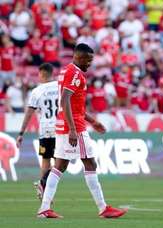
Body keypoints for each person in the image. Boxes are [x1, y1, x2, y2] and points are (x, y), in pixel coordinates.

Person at [37, 43, 127, 219]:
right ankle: (103, 208)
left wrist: (93, 121)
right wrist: (72, 129)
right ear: (79, 57)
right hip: (74, 127)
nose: (90, 64)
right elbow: (64, 101)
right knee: (90, 164)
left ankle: (44, 208)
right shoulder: (75, 74)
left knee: (60, 166)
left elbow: (74, 104)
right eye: (88, 60)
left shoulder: (66, 71)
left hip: (65, 124)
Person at [16, 63, 58, 200]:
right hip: (60, 129)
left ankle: (44, 190)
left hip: (45, 129)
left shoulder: (37, 91)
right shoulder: (60, 87)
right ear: (52, 73)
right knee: (61, 163)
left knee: (46, 160)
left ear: (41, 74)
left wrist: (21, 133)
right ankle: (43, 186)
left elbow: (29, 113)